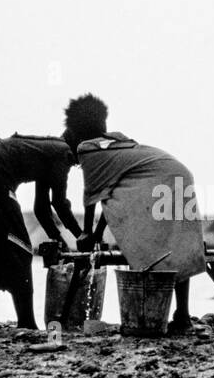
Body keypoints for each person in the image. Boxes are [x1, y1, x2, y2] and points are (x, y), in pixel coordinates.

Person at [64, 93, 206, 334]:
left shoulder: (88, 149)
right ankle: (182, 315)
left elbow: (92, 198)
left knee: (165, 247)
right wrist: (96, 234)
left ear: (75, 129)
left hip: (163, 179)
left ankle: (169, 315)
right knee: (176, 246)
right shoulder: (116, 143)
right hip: (178, 173)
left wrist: (88, 233)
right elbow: (109, 197)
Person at [0, 132, 84, 328]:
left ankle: (26, 319)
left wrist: (61, 241)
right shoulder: (64, 154)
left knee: (12, 247)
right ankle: (27, 322)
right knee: (22, 249)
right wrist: (82, 235)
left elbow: (41, 208)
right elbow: (60, 204)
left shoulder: (50, 150)